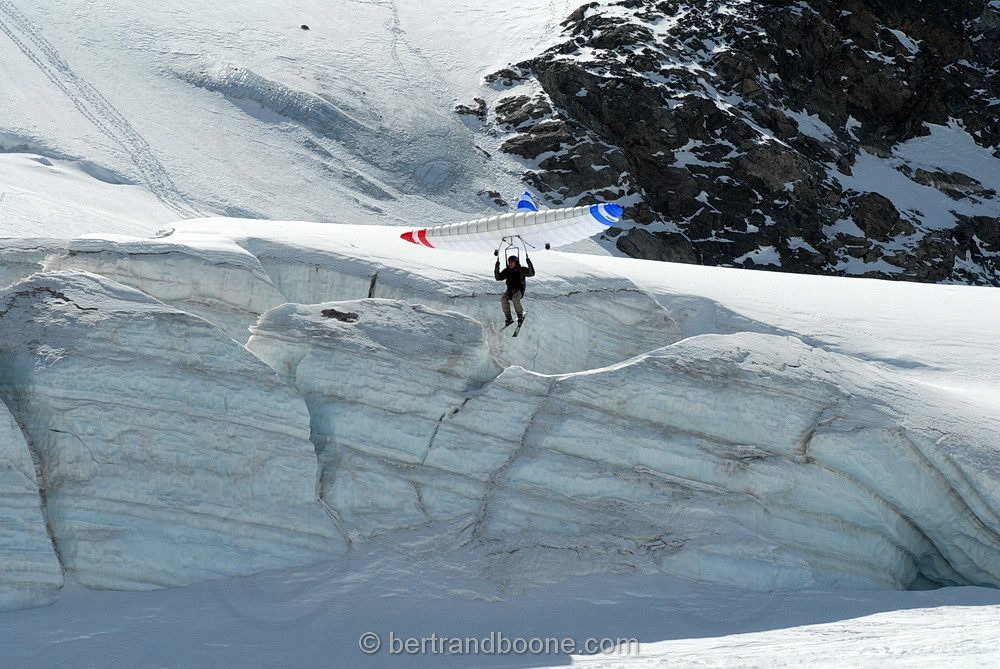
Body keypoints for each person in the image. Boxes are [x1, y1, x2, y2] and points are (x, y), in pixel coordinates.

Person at [494, 254, 535, 326]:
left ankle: (520, 315)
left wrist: (529, 262)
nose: (510, 264)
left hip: (519, 290)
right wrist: (497, 267)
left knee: (515, 299)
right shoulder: (507, 270)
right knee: (503, 299)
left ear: (516, 262)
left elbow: (531, 273)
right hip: (510, 290)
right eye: (509, 262)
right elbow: (498, 278)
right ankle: (508, 318)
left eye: (512, 262)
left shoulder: (521, 270)